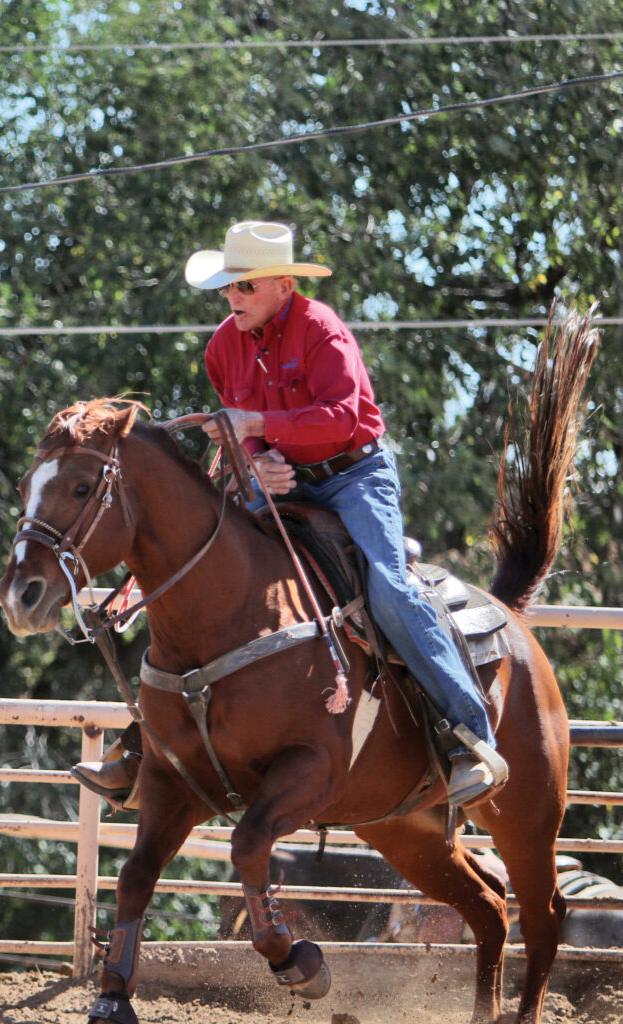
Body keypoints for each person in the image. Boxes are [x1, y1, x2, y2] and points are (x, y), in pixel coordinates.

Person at [72, 220, 507, 809]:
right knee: (204, 575)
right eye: (229, 288)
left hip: (354, 476)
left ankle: (470, 737)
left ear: (282, 284)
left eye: (245, 287)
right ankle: (152, 748)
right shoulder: (223, 347)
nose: (233, 299)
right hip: (277, 478)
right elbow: (236, 423)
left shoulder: (323, 331)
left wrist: (260, 432)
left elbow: (344, 418)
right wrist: (255, 461)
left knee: (389, 590)